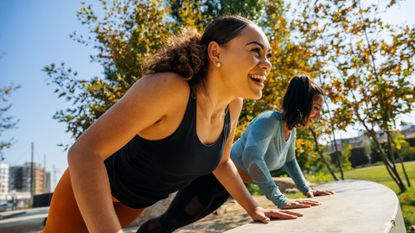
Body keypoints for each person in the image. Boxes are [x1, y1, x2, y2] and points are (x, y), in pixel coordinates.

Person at [42, 15, 303, 233]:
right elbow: (84, 153)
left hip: (133, 204)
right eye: (255, 51)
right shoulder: (169, 88)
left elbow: (222, 163)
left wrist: (253, 207)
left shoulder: (233, 105)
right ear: (215, 52)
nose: (267, 63)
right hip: (85, 195)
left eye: (268, 55)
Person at [138, 75, 334, 233]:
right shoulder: (268, 121)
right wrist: (280, 200)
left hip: (229, 186)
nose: (317, 115)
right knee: (170, 221)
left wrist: (307, 189)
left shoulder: (290, 131)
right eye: (315, 108)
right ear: (301, 103)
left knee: (177, 223)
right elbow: (252, 158)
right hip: (211, 178)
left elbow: (290, 161)